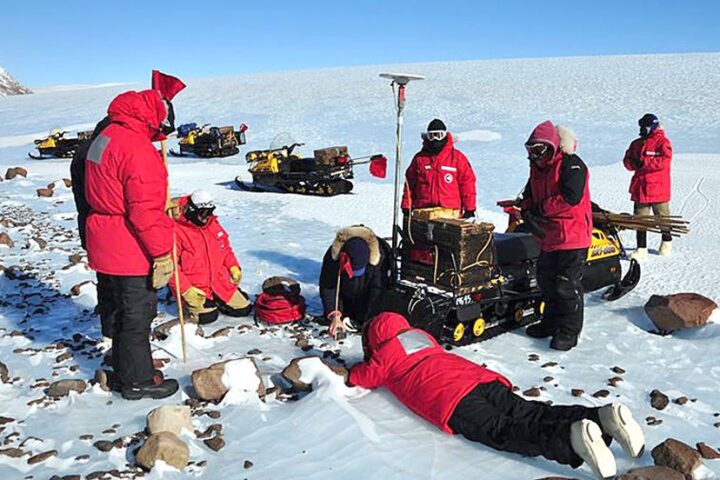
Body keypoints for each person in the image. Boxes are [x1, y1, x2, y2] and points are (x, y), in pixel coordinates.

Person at [348, 312, 645, 480]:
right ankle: (600, 416)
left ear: (376, 340)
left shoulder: (384, 356)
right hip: (481, 379)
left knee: (505, 430)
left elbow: (361, 376)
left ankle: (570, 438)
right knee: (530, 412)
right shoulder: (421, 338)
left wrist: (347, 369)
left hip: (454, 400)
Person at [84, 88, 180, 400]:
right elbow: (145, 212)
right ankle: (139, 380)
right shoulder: (137, 149)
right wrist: (162, 252)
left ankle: (125, 366)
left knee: (118, 310)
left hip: (104, 239)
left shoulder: (106, 136)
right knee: (137, 315)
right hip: (129, 247)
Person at [520, 122, 592, 351]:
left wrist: (539, 209)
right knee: (546, 283)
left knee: (566, 286)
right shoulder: (538, 170)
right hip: (549, 236)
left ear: (552, 146)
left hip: (573, 236)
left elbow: (570, 197)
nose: (534, 155)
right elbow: (529, 194)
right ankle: (549, 323)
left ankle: (569, 331)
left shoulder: (572, 165)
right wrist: (526, 208)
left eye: (539, 149)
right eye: (531, 150)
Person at [170, 190, 251, 324]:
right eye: (202, 212)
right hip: (195, 288)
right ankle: (193, 305)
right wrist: (186, 291)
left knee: (243, 309)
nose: (206, 217)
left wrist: (233, 266)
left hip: (219, 282)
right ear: (191, 209)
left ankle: (219, 298)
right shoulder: (176, 230)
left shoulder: (213, 225)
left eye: (210, 211)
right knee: (208, 317)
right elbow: (171, 268)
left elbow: (225, 249)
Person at [319, 225, 389, 337]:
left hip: (366, 300)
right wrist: (334, 315)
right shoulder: (334, 256)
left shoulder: (379, 257)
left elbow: (378, 290)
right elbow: (328, 286)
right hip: (344, 299)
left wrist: (370, 319)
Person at [401, 119, 477, 219]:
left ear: (445, 135)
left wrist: (469, 209)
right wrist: (407, 206)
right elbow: (409, 183)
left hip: (450, 212)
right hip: (424, 211)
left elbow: (467, 183)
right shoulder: (420, 159)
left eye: (439, 135)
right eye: (432, 136)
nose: (435, 139)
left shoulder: (457, 158)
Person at [623, 113, 673, 259]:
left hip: (658, 189)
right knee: (640, 219)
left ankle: (666, 242)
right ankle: (641, 248)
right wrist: (633, 163)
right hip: (640, 188)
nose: (642, 129)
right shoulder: (636, 144)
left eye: (645, 126)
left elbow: (664, 161)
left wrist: (644, 163)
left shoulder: (663, 142)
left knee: (662, 218)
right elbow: (627, 160)